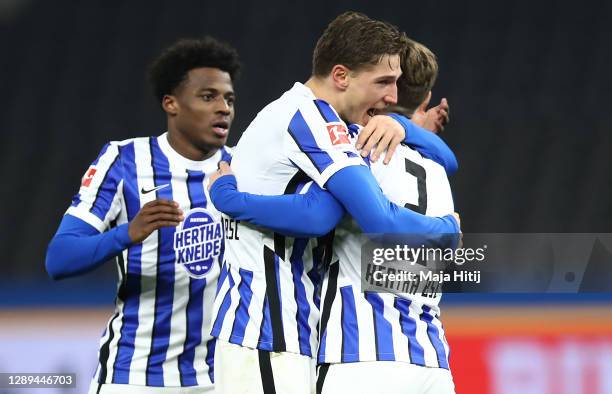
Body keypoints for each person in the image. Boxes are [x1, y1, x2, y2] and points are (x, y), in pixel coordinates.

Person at [208, 12, 460, 394]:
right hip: (265, 326)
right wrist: (447, 230)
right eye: (383, 82)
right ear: (341, 76)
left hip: (287, 331)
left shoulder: (310, 118)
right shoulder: (311, 118)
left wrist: (405, 127)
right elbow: (331, 217)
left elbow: (321, 212)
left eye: (394, 85)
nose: (390, 96)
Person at [45, 37, 239, 394]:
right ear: (171, 103)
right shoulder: (124, 162)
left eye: (228, 98)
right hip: (134, 377)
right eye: (208, 97)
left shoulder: (244, 168)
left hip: (221, 378)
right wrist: (126, 235)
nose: (223, 108)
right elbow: (59, 259)